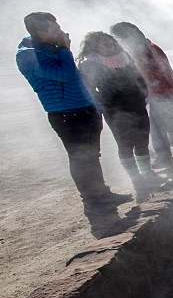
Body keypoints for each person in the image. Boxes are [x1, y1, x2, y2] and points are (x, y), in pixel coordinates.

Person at [15, 12, 130, 216]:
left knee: (92, 155)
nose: (61, 32)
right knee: (80, 157)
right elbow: (65, 75)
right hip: (66, 114)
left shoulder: (52, 49)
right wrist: (65, 49)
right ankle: (91, 201)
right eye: (55, 29)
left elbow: (77, 80)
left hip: (85, 110)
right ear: (41, 33)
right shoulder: (29, 55)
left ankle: (102, 193)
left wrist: (95, 105)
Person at [77, 32, 162, 201]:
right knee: (125, 145)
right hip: (115, 110)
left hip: (137, 105)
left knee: (142, 142)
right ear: (94, 46)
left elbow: (138, 78)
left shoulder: (124, 58)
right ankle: (137, 182)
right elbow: (89, 89)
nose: (110, 47)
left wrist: (143, 93)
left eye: (111, 44)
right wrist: (104, 104)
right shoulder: (90, 64)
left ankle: (147, 175)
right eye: (104, 45)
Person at [110, 21, 173, 167]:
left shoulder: (145, 49)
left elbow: (154, 72)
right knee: (159, 126)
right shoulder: (144, 47)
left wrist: (136, 78)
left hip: (161, 92)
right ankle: (167, 155)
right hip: (158, 92)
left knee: (168, 124)